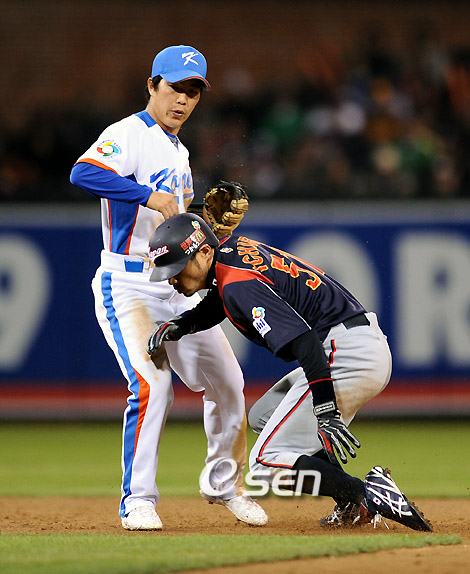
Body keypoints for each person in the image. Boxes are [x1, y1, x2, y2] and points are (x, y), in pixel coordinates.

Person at [70, 45, 267, 531]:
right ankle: (137, 500)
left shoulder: (179, 151)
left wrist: (207, 225)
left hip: (177, 288)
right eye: (175, 87)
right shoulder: (128, 133)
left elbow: (174, 227)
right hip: (129, 285)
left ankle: (225, 485)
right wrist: (147, 195)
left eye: (193, 91)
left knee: (229, 381)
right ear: (152, 85)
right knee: (153, 385)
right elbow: (83, 172)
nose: (183, 99)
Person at [145, 212, 432, 532]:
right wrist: (182, 324)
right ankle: (353, 502)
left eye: (177, 268)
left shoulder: (239, 284)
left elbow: (305, 343)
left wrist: (325, 409)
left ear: (204, 252)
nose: (171, 279)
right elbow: (220, 302)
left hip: (343, 354)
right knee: (263, 416)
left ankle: (364, 494)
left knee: (264, 464)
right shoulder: (230, 255)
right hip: (354, 343)